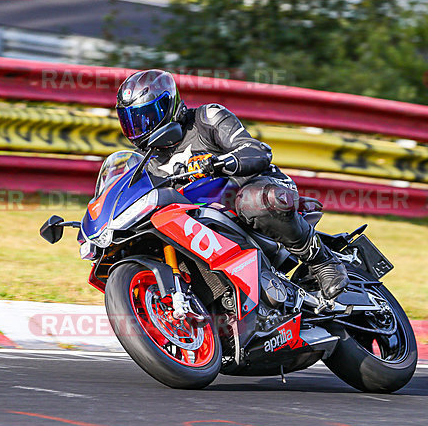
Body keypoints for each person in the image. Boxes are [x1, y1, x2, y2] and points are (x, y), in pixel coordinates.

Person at [115, 69, 349, 299]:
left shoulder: (206, 118)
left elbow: (256, 150)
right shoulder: (145, 164)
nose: (141, 127)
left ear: (169, 104)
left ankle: (323, 262)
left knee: (254, 201)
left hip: (256, 189)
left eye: (147, 116)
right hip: (204, 220)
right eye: (133, 121)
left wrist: (219, 162)